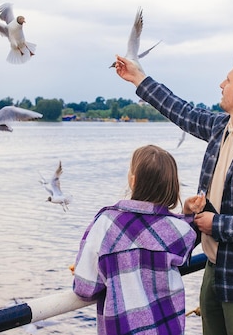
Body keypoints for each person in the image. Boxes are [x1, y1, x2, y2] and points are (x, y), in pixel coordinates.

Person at [113, 53, 233, 335]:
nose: (221, 84)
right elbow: (181, 111)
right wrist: (138, 77)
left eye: (228, 79)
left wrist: (217, 224)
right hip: (214, 271)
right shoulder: (220, 129)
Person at [72, 144, 197, 335]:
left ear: (133, 180)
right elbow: (184, 242)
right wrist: (187, 216)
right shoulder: (179, 229)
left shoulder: (105, 224)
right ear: (172, 185)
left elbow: (85, 287)